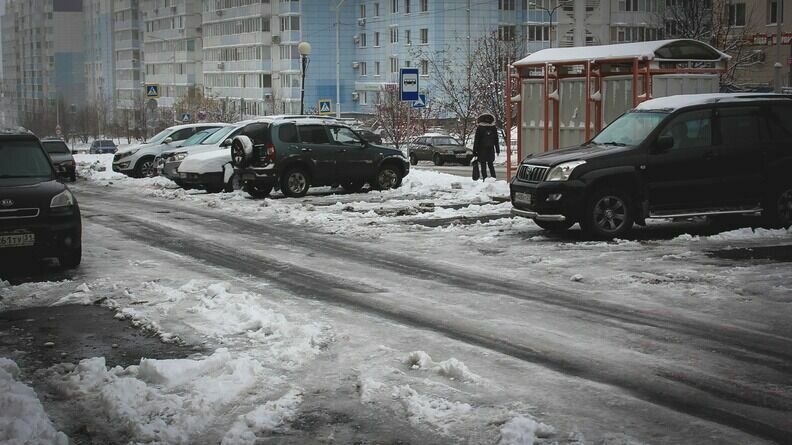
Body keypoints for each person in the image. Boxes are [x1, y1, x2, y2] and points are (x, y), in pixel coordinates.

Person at [472, 113, 500, 180]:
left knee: (483, 165)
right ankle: (494, 178)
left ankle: (485, 179)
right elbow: (496, 139)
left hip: (481, 149)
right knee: (491, 165)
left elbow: (477, 140)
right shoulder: (493, 128)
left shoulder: (480, 128)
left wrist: (474, 151)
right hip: (490, 149)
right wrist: (497, 149)